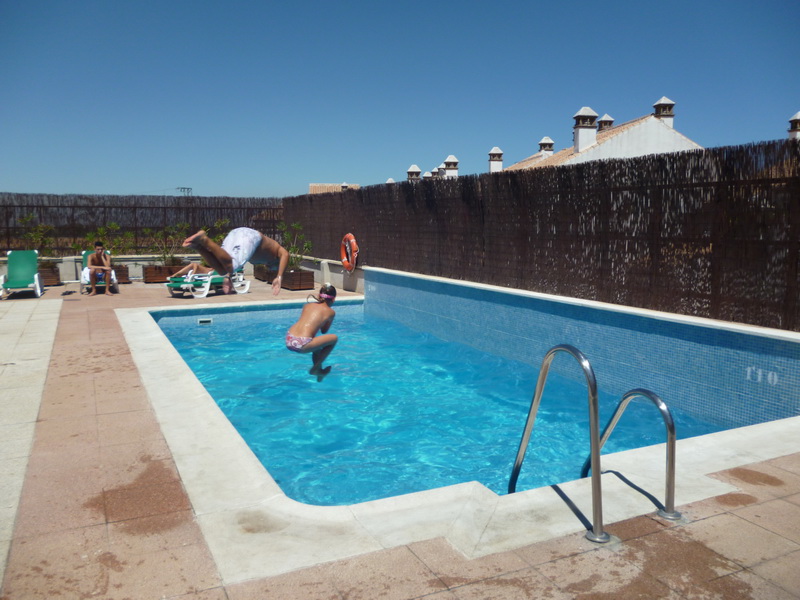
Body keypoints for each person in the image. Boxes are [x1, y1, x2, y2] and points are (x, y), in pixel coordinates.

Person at [182, 227, 289, 294]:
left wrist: (229, 277)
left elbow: (238, 261)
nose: (269, 267)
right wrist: (279, 277)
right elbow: (286, 254)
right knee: (232, 266)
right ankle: (204, 240)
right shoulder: (277, 250)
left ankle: (198, 246)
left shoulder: (259, 256)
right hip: (250, 236)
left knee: (222, 270)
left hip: (236, 233)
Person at [286, 283, 338, 381]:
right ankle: (315, 368)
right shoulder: (331, 312)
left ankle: (319, 372)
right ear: (333, 299)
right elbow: (324, 331)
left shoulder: (307, 306)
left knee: (317, 348)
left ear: (319, 296)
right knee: (334, 339)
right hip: (302, 343)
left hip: (289, 339)